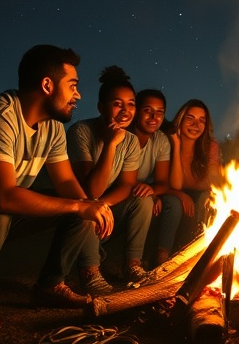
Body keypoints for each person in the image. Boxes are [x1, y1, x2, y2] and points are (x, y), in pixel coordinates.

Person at [0, 45, 114, 329]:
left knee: (82, 206)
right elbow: (3, 196)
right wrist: (80, 205)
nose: (78, 95)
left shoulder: (52, 128)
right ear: (47, 85)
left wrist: (89, 207)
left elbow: (65, 182)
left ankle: (50, 286)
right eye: (73, 86)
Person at [67, 66, 153, 282]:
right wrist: (111, 144)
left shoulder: (131, 140)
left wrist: (103, 205)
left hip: (101, 202)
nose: (125, 111)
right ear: (101, 107)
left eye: (131, 104)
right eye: (117, 104)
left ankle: (133, 265)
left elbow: (127, 185)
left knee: (143, 201)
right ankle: (90, 272)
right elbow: (90, 190)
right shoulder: (81, 132)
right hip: (74, 201)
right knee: (89, 204)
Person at [162, 99, 222, 255]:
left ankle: (195, 256)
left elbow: (215, 183)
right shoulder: (167, 142)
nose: (196, 125)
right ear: (180, 120)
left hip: (200, 193)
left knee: (205, 199)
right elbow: (173, 185)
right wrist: (176, 146)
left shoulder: (210, 147)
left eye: (202, 120)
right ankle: (162, 259)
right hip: (170, 192)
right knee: (175, 204)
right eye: (190, 118)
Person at [127, 90, 173, 266]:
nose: (154, 117)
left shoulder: (160, 140)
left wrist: (152, 191)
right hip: (119, 192)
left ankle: (161, 263)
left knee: (166, 203)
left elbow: (163, 182)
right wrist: (150, 194)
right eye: (148, 110)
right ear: (137, 110)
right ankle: (133, 265)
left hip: (138, 192)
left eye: (159, 112)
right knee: (145, 202)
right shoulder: (124, 135)